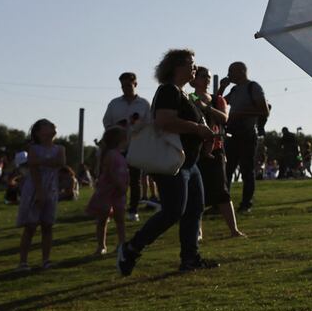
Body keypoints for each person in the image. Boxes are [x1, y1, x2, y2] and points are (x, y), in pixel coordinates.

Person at [118, 49, 220, 276]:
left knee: (193, 210)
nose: (195, 68)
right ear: (176, 67)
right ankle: (131, 248)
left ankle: (190, 259)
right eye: (191, 64)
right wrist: (197, 129)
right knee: (173, 211)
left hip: (188, 163)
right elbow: (164, 121)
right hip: (172, 162)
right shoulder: (167, 91)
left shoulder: (183, 94)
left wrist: (204, 138)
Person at [191, 66, 245, 238]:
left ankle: (233, 229)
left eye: (207, 76)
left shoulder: (217, 99)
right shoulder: (188, 97)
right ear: (194, 79)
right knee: (196, 192)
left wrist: (206, 108)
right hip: (195, 149)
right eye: (202, 76)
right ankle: (197, 231)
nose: (206, 79)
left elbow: (224, 118)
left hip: (216, 147)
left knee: (221, 189)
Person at [16, 119, 65, 271]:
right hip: (35, 189)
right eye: (47, 125)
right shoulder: (34, 148)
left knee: (47, 226)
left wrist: (42, 162)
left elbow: (60, 163)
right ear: (38, 132)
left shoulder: (60, 148)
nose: (52, 126)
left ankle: (46, 260)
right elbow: (34, 168)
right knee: (30, 226)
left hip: (51, 189)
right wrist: (39, 191)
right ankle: (23, 262)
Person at [103, 72, 152, 223]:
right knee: (113, 178)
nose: (125, 89)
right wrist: (117, 127)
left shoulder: (143, 104)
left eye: (129, 85)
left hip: (135, 145)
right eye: (123, 86)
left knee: (135, 179)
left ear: (135, 84)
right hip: (117, 147)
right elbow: (107, 122)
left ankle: (133, 210)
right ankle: (111, 209)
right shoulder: (114, 103)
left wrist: (137, 126)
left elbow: (150, 124)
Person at [219, 62, 268, 212]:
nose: (228, 75)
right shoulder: (234, 90)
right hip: (232, 134)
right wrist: (222, 88)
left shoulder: (253, 87)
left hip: (247, 134)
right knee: (227, 170)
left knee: (247, 170)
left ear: (241, 71)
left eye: (231, 72)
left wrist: (239, 114)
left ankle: (246, 204)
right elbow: (217, 102)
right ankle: (222, 204)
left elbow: (264, 110)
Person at [86, 126, 131, 257]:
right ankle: (101, 245)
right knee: (103, 219)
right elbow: (111, 173)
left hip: (119, 192)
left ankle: (122, 243)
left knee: (120, 219)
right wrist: (120, 184)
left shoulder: (120, 155)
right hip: (109, 191)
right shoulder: (111, 154)